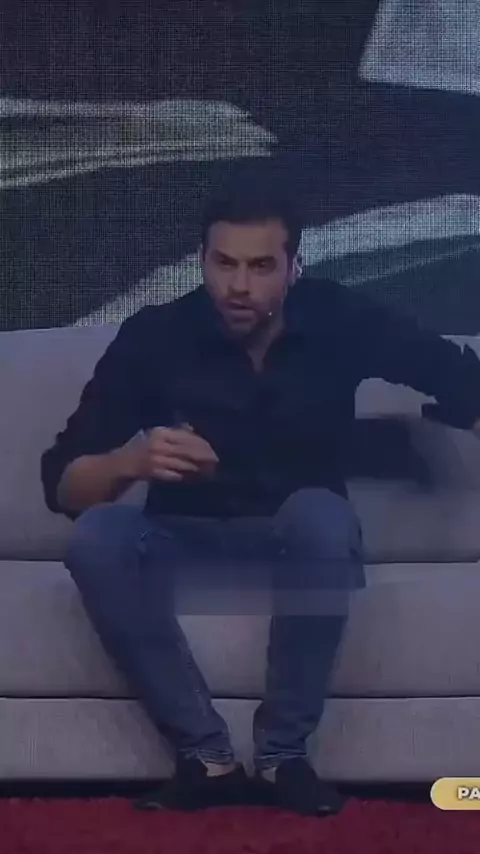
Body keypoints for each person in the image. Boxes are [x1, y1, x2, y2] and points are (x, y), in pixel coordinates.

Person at [41, 175, 480, 816]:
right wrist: (130, 461)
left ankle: (281, 759)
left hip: (298, 543)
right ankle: (206, 759)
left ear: (293, 267)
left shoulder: (340, 318)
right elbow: (62, 484)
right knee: (98, 537)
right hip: (185, 542)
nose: (238, 286)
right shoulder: (155, 336)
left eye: (260, 267)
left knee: (322, 515)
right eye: (223, 264)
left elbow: (458, 377)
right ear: (202, 260)